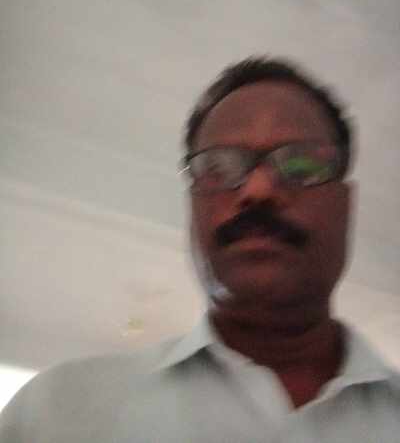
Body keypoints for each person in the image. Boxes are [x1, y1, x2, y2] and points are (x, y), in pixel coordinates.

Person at [0, 57, 399, 442]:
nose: (258, 189)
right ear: (192, 204)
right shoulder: (52, 415)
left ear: (346, 204)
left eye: (300, 164)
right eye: (217, 168)